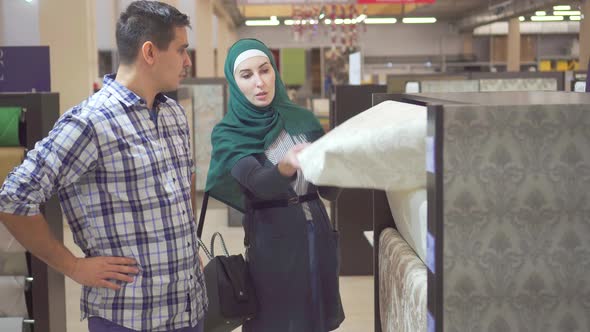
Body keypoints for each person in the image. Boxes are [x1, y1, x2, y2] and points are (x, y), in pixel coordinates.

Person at [0, 1, 207, 331]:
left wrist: (188, 246)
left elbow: (183, 185)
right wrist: (72, 266)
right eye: (182, 50)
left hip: (188, 309)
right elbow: (13, 197)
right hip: (129, 317)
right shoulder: (90, 123)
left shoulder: (172, 114)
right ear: (150, 52)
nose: (188, 61)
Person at [205, 38, 345, 332]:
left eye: (265, 70)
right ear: (235, 81)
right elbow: (259, 184)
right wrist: (287, 164)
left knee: (315, 319)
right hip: (272, 242)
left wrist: (342, 164)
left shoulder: (302, 120)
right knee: (276, 320)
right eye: (247, 75)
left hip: (316, 236)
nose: (260, 82)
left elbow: (328, 190)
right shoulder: (229, 134)